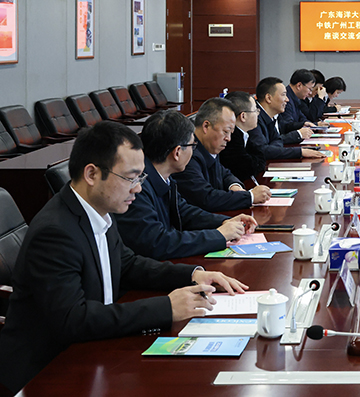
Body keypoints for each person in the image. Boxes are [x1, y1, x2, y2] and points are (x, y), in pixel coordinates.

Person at [0, 122, 247, 393]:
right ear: (92, 174)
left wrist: (192, 274)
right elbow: (74, 319)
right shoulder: (55, 232)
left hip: (93, 350)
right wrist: (166, 307)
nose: (138, 189)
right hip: (47, 371)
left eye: (140, 178)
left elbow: (127, 264)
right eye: (131, 178)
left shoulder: (99, 211)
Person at [116, 110, 257, 260]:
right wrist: (218, 235)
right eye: (192, 145)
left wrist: (224, 222)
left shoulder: (163, 176)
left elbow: (183, 211)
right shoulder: (137, 187)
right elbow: (157, 242)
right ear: (177, 152)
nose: (193, 151)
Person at [172, 98, 271, 212]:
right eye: (225, 132)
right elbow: (206, 198)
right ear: (206, 126)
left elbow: (224, 173)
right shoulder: (187, 154)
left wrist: (234, 185)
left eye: (230, 133)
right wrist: (250, 197)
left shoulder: (209, 147)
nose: (228, 139)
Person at [254, 76, 327, 160]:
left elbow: (277, 140)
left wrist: (274, 147)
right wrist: (300, 152)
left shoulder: (272, 116)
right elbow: (264, 151)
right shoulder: (254, 119)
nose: (287, 99)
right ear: (268, 98)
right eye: (283, 95)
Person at [219, 90, 268, 181]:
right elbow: (249, 168)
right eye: (255, 110)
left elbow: (260, 159)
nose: (258, 114)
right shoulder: (231, 139)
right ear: (243, 116)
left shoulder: (244, 134)